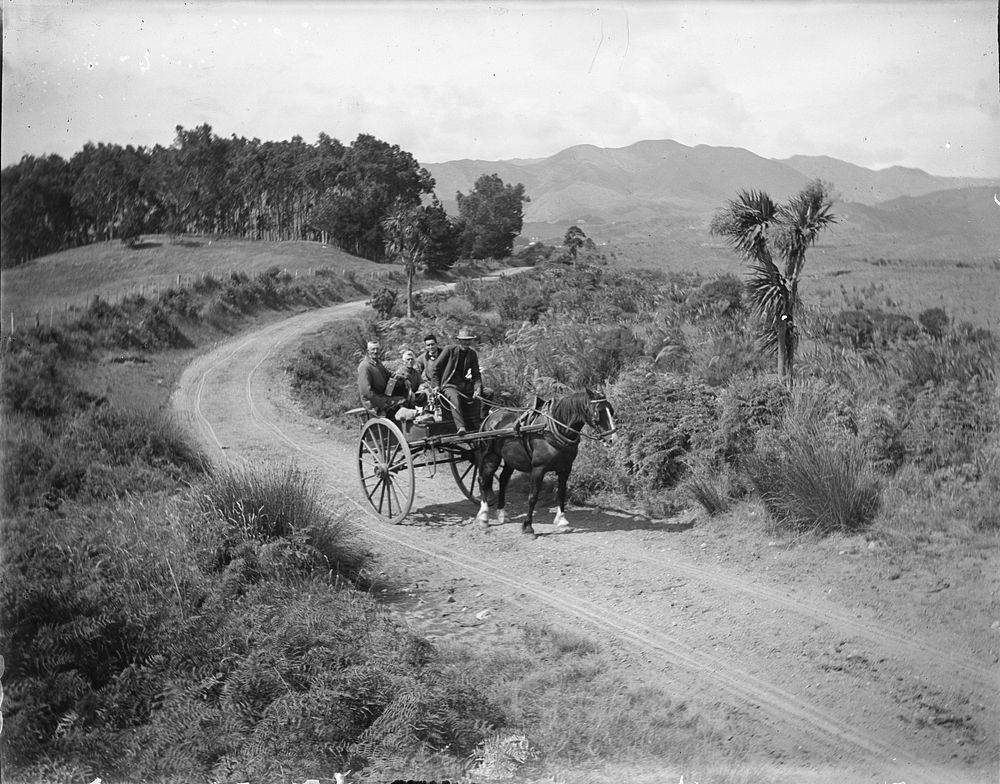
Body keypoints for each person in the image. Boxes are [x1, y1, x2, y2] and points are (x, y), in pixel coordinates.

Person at [430, 326, 483, 435]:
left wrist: (477, 388)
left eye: (468, 340)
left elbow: (476, 374)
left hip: (463, 384)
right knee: (455, 398)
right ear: (459, 341)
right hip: (449, 385)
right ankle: (461, 427)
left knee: (488, 393)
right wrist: (435, 385)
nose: (466, 343)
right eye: (464, 340)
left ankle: (482, 421)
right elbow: (436, 367)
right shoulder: (449, 350)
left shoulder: (472, 354)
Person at [357, 340, 406, 416]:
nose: (376, 351)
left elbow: (388, 375)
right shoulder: (364, 366)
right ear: (368, 351)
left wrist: (401, 378)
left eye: (377, 349)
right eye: (373, 349)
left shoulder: (378, 363)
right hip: (372, 403)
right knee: (401, 401)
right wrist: (382, 404)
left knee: (405, 398)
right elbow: (366, 392)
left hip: (382, 396)